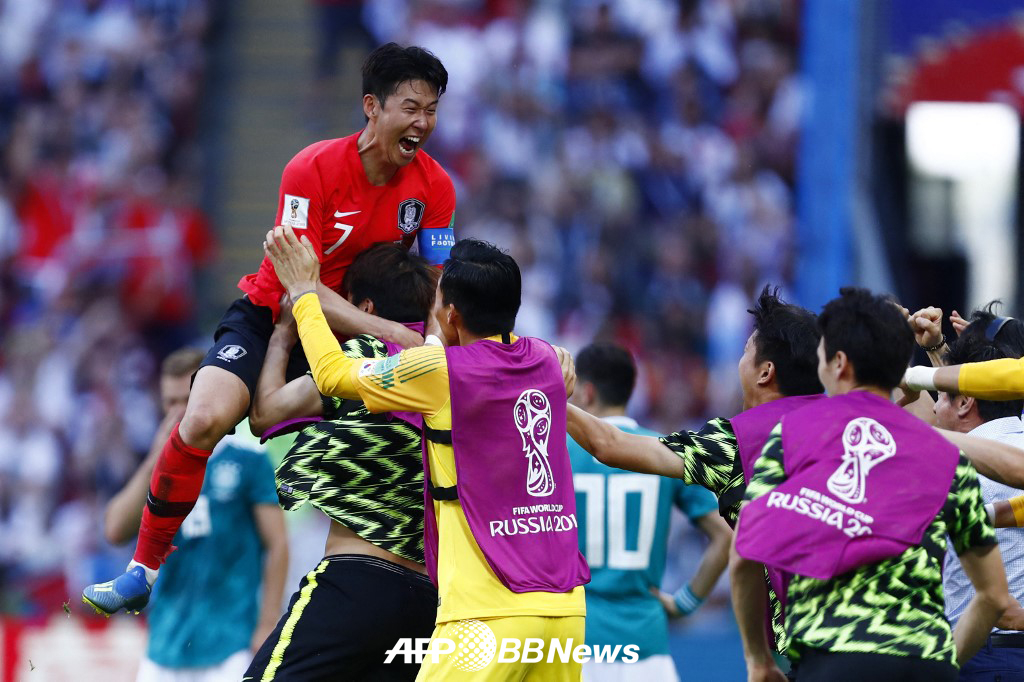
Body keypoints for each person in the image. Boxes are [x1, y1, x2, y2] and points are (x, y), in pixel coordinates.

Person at [84, 42, 456, 614]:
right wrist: (399, 336)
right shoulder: (311, 170)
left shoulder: (436, 189)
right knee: (203, 418)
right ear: (371, 107)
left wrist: (429, 342)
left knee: (434, 425)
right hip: (274, 313)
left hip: (351, 336)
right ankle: (142, 569)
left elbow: (436, 286)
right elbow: (296, 283)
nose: (423, 123)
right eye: (411, 107)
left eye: (432, 109)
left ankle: (445, 576)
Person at [267, 229, 589, 681]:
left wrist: (303, 292)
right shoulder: (546, 362)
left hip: (483, 611)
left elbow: (332, 373)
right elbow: (605, 437)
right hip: (564, 610)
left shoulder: (440, 371)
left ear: (451, 314)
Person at [732, 287, 1012, 682]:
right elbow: (993, 596)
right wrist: (944, 663)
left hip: (835, 656)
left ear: (839, 364)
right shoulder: (945, 452)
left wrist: (758, 659)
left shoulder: (797, 434)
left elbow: (744, 552)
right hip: (925, 663)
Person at [566, 285, 824, 657]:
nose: (739, 363)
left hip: (813, 641)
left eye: (745, 352)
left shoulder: (733, 442)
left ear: (765, 372)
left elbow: (609, 445)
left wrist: (547, 393)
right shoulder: (853, 422)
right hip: (899, 636)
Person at [244, 243, 439, 681]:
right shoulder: (441, 368)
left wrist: (282, 334)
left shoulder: (361, 357)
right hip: (428, 599)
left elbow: (265, 415)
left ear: (363, 307)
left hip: (355, 582)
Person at [91, 348, 288, 682]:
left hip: (229, 644)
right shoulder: (156, 465)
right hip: (164, 646)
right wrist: (159, 456)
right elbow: (114, 529)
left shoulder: (247, 459)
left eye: (187, 399)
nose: (179, 411)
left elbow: (278, 543)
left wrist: (267, 623)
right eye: (170, 402)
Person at [567, 342, 731, 682]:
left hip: (578, 640)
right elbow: (725, 536)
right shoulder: (663, 449)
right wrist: (685, 602)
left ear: (587, 390)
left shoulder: (557, 451)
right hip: (647, 645)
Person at [929, 307, 1024, 680]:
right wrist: (941, 351)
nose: (934, 407)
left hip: (982, 660)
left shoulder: (952, 472)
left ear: (967, 400)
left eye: (940, 396)